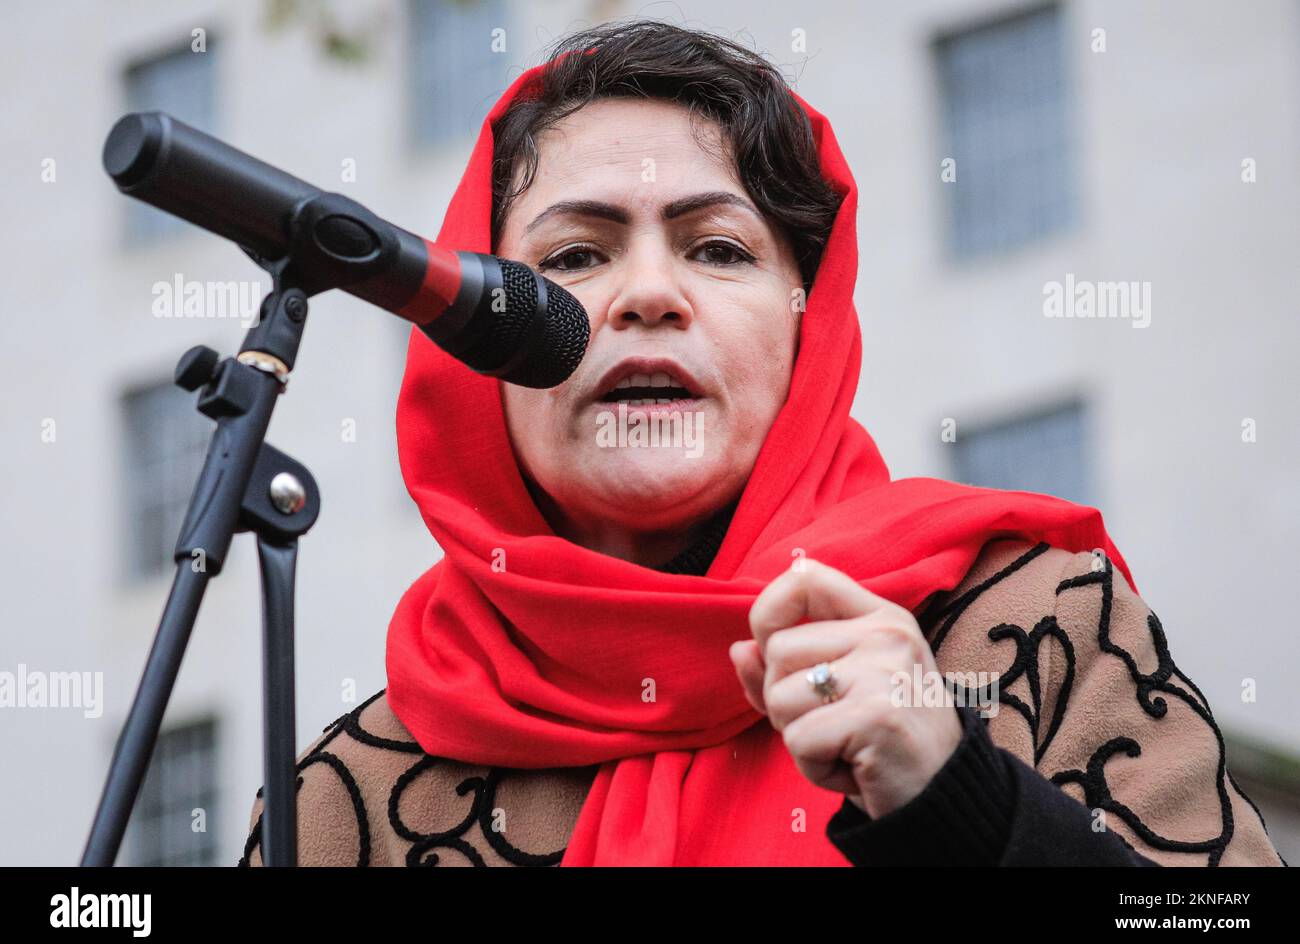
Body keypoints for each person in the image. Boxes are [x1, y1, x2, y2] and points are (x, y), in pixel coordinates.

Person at [242, 19, 1284, 867]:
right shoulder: (350, 796)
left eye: (717, 248)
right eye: (574, 253)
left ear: (806, 325)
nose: (648, 294)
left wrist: (959, 805)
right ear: (473, 344)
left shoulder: (1028, 626)